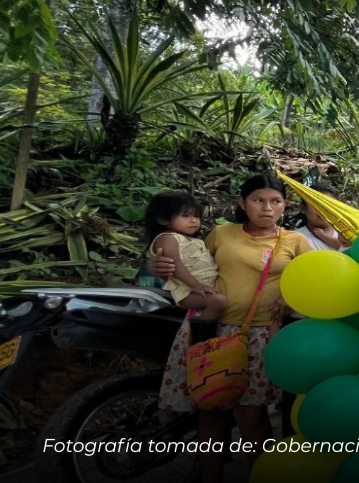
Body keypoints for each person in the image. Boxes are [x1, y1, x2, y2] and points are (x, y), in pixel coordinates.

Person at [152, 175, 313, 483]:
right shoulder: (220, 234)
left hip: (260, 337)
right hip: (212, 331)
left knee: (252, 418)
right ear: (242, 203)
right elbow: (189, 268)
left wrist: (287, 296)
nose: (267, 208)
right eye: (258, 200)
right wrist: (159, 267)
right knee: (210, 414)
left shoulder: (296, 242)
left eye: (275, 201)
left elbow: (310, 283)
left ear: (285, 205)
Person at [144, 192, 228, 320]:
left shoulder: (196, 241)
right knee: (218, 301)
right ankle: (199, 333)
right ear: (163, 219)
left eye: (197, 215)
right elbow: (175, 265)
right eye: (186, 215)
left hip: (204, 288)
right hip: (187, 291)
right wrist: (196, 286)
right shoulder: (167, 238)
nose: (194, 220)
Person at [295, 183, 346, 251]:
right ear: (303, 208)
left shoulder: (347, 235)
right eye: (317, 204)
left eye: (329, 205)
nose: (323, 210)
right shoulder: (294, 238)